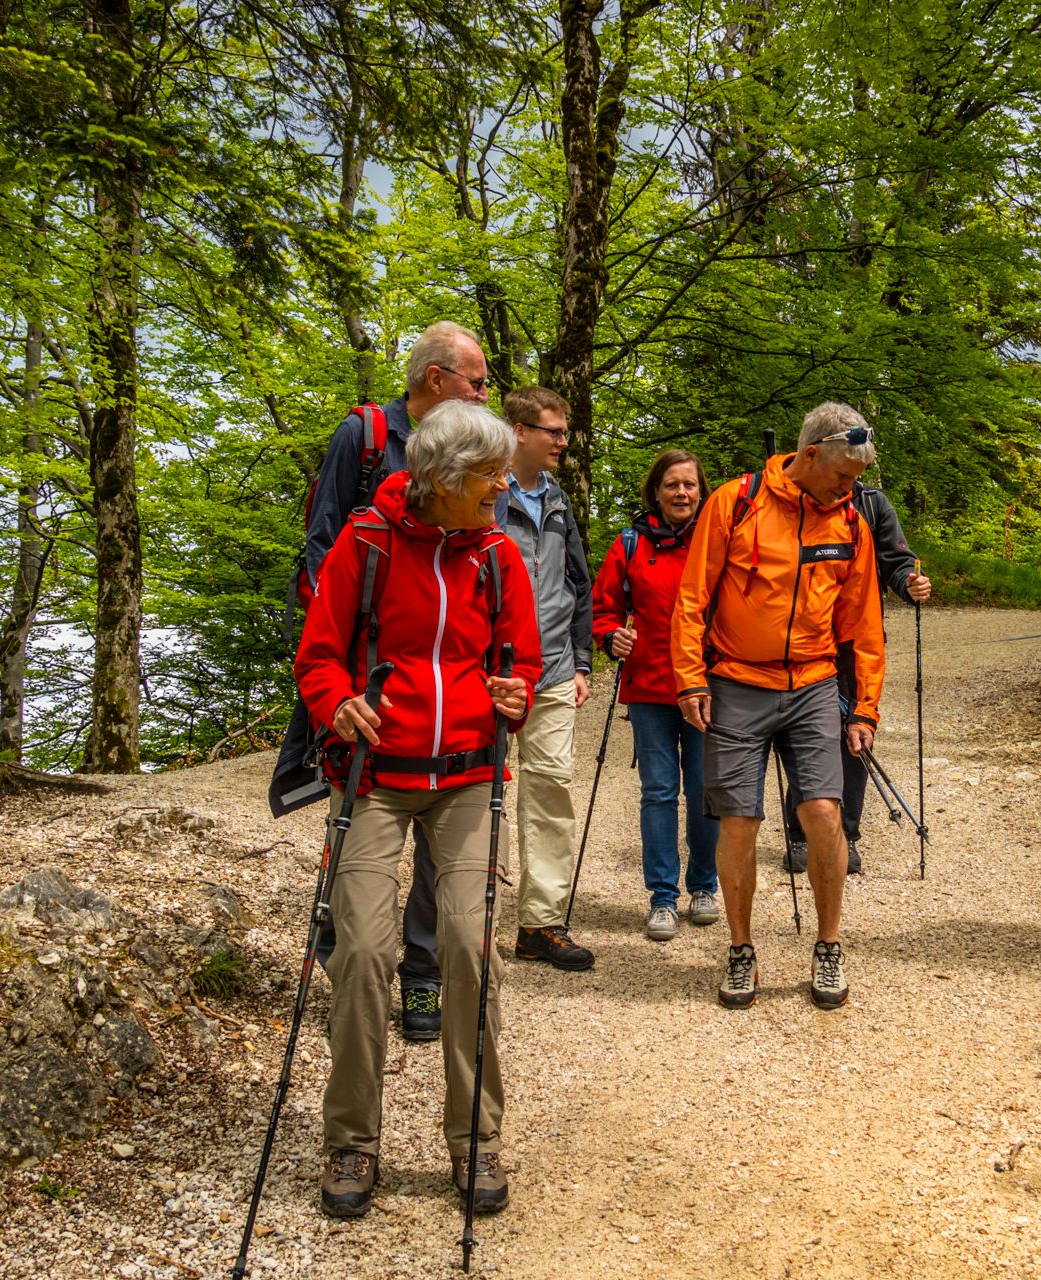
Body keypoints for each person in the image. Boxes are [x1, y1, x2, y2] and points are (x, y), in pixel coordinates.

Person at [294, 400, 543, 1220]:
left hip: (468, 775)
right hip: (373, 775)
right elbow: (319, 655)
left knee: (471, 948)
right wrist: (336, 703)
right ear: (443, 480)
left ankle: (474, 1138)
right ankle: (352, 1143)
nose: (505, 487)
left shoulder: (498, 554)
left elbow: (521, 661)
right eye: (491, 476)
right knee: (363, 952)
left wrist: (515, 696)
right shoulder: (364, 544)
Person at [277, 320, 494, 1042]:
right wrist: (330, 679)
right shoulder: (365, 435)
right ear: (438, 379)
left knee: (445, 831)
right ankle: (349, 955)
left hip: (447, 705)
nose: (486, 394)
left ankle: (423, 976)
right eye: (478, 381)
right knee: (356, 806)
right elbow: (324, 542)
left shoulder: (478, 463)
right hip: (358, 665)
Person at [670, 402, 886, 1010]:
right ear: (810, 455)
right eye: (843, 477)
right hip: (736, 683)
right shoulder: (736, 503)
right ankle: (741, 951)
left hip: (815, 684)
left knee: (824, 813)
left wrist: (864, 709)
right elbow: (692, 598)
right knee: (739, 820)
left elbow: (865, 626)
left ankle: (829, 944)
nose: (850, 489)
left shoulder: (849, 524)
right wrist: (690, 679)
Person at [590, 450, 722, 941]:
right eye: (672, 485)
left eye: (689, 484)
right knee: (660, 792)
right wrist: (610, 636)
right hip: (648, 687)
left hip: (708, 685)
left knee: (707, 790)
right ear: (656, 492)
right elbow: (603, 608)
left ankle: (704, 887)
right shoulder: (629, 544)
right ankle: (663, 897)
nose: (681, 493)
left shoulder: (718, 543)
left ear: (701, 491)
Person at [781, 480, 933, 875]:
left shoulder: (872, 503)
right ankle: (799, 833)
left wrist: (909, 584)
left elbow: (897, 561)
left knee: (855, 731)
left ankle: (844, 834)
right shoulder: (792, 497)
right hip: (800, 638)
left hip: (855, 638)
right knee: (805, 734)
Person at [498, 386, 597, 971]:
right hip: (489, 672)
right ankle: (471, 919)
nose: (563, 441)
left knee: (550, 791)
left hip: (555, 670)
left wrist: (582, 660)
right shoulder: (481, 493)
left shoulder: (557, 500)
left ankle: (540, 923)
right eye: (552, 431)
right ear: (518, 431)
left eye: (563, 432)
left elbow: (577, 583)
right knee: (477, 796)